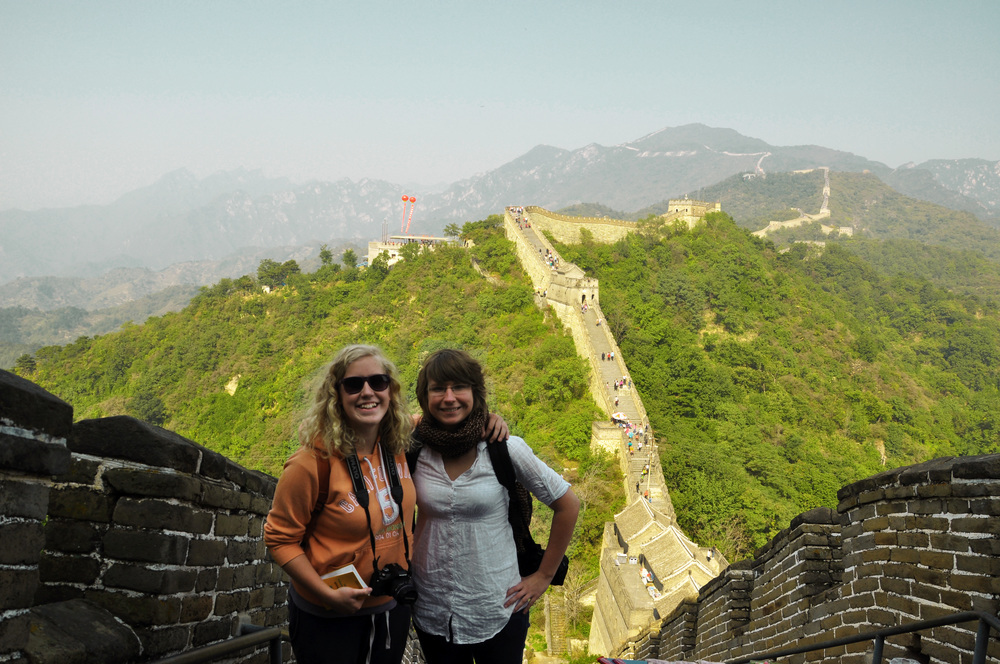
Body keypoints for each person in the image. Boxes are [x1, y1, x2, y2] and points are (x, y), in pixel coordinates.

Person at [263, 344, 509, 664]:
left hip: (391, 608)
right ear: (335, 394)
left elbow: (441, 417)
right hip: (327, 616)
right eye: (354, 384)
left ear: (390, 391)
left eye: (378, 382)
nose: (367, 392)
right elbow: (280, 539)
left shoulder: (397, 442)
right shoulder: (311, 463)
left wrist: (484, 418)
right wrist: (326, 595)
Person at [408, 349, 580, 664]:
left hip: (499, 605)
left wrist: (543, 576)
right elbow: (370, 425)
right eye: (438, 389)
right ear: (424, 396)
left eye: (459, 387)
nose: (449, 397)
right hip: (431, 605)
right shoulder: (413, 450)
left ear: (475, 392)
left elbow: (567, 504)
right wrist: (416, 421)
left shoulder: (505, 449)